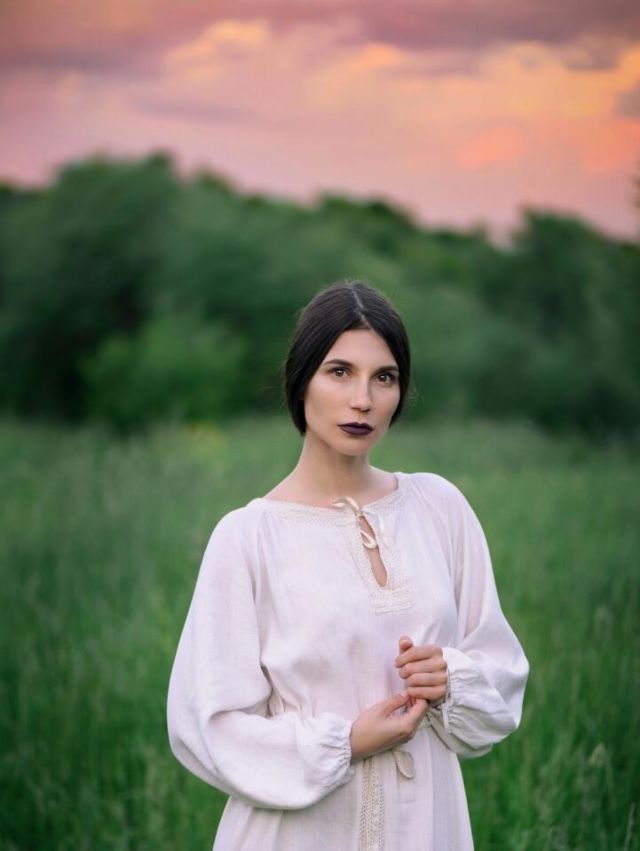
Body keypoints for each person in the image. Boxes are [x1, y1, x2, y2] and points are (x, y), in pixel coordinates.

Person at [166, 279, 529, 850]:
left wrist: (451, 679)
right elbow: (208, 726)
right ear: (301, 380)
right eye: (339, 372)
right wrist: (347, 742)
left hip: (424, 825)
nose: (363, 399)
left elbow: (502, 675)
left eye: (384, 377)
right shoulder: (248, 537)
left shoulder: (439, 508)